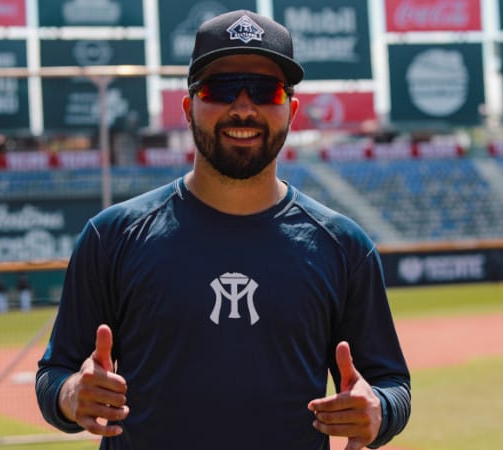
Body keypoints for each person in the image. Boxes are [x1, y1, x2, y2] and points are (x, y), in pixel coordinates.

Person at [36, 9, 411, 450]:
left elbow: (391, 383)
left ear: (290, 110)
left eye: (266, 91)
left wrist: (378, 411)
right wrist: (70, 395)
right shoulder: (113, 236)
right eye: (222, 88)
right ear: (188, 106)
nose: (244, 108)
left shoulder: (343, 246)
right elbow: (54, 374)